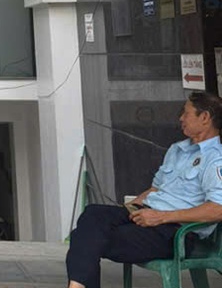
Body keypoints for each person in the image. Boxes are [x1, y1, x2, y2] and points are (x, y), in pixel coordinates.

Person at [66, 91, 222, 288]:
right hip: (147, 213)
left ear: (205, 117)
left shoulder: (215, 159)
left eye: (186, 113)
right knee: (93, 214)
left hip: (174, 232)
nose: (181, 118)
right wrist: (129, 209)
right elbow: (155, 189)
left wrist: (161, 217)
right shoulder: (178, 150)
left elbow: (218, 209)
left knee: (88, 238)